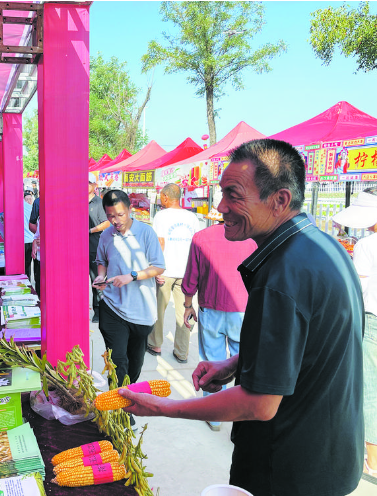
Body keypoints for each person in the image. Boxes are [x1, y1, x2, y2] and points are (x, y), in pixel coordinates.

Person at [119, 139, 364, 496]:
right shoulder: (324, 246)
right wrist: (236, 364)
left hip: (289, 470)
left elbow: (259, 404)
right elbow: (306, 346)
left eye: (233, 195)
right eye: (221, 194)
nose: (220, 207)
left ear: (280, 200)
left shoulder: (283, 275)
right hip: (332, 456)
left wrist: (166, 407)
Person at [181, 203, 256, 431]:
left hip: (210, 308)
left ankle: (215, 416)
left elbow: (191, 276)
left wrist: (187, 304)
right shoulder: (253, 239)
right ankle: (243, 415)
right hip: (243, 310)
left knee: (212, 361)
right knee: (243, 361)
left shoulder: (202, 237)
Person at [93, 190, 165, 387]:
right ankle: (118, 409)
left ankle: (127, 395)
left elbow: (159, 266)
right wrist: (101, 275)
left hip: (142, 311)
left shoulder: (146, 233)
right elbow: (102, 261)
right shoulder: (106, 235)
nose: (115, 220)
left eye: (120, 215)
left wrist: (132, 276)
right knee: (117, 363)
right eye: (110, 216)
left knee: (135, 364)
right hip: (113, 307)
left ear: (130, 209)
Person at [333, 189, 377, 481]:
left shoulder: (367, 245)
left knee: (370, 388)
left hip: (373, 321)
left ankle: (372, 460)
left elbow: (356, 291)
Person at [147, 183, 199, 363]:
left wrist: (155, 267)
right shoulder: (192, 217)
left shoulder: (161, 216)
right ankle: (182, 351)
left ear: (166, 197)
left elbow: (159, 242)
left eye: (161, 196)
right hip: (187, 272)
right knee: (185, 310)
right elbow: (196, 245)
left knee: (158, 309)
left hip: (165, 271)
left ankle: (155, 344)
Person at [88, 172, 110, 323]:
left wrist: (90, 230)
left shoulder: (98, 202)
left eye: (89, 183)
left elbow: (106, 222)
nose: (86, 185)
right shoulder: (76, 200)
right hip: (77, 248)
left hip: (93, 246)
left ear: (95, 186)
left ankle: (98, 310)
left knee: (95, 279)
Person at [23, 191, 35, 280]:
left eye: (30, 199)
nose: (29, 201)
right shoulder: (31, 209)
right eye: (27, 199)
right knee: (27, 267)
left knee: (26, 267)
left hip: (29, 241)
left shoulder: (31, 208)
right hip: (29, 241)